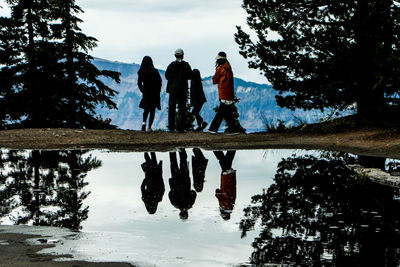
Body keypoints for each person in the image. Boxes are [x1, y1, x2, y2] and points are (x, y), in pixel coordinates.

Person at [208, 52, 245, 134]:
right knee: (225, 112)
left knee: (223, 112)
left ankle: (214, 129)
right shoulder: (229, 69)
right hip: (229, 93)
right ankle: (230, 129)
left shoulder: (220, 69)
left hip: (222, 92)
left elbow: (214, 80)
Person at [165, 49, 193, 132]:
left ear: (175, 55)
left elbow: (167, 75)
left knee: (171, 108)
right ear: (183, 55)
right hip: (182, 90)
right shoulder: (186, 65)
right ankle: (180, 128)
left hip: (172, 90)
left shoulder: (171, 65)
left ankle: (171, 128)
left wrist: (172, 81)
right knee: (182, 109)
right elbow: (190, 76)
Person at [168, 149, 197, 220]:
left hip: (185, 181)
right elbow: (170, 194)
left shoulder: (189, 204)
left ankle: (181, 150)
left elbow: (193, 193)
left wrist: (188, 191)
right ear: (180, 213)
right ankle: (172, 151)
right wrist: (174, 190)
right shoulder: (175, 204)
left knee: (183, 162)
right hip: (175, 182)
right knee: (173, 163)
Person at [137, 56, 162, 131]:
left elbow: (139, 83)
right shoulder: (155, 71)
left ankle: (144, 122)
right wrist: (158, 90)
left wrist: (143, 90)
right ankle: (149, 127)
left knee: (146, 109)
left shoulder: (141, 71)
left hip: (146, 92)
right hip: (154, 92)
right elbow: (159, 82)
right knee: (152, 110)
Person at [214, 150, 236, 220]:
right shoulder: (225, 206)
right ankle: (215, 148)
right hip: (226, 181)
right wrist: (217, 194)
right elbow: (220, 194)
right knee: (223, 161)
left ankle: (232, 148)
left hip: (230, 180)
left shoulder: (231, 205)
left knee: (227, 161)